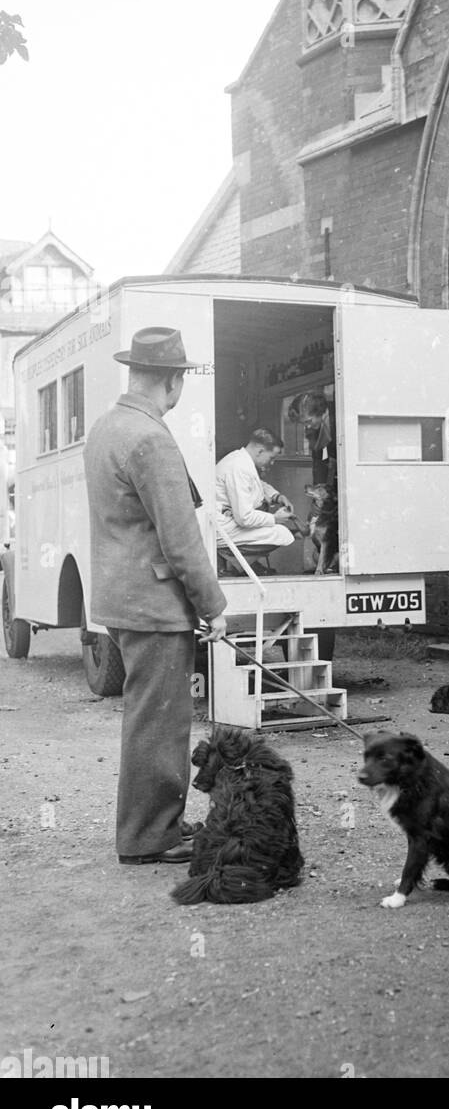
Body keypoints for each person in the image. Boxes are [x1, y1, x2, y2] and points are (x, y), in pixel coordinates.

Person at [83, 327, 227, 866]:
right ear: (173, 379)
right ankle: (149, 836)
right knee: (161, 723)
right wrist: (212, 605)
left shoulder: (106, 428)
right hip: (154, 604)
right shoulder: (150, 438)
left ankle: (157, 821)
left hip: (123, 600)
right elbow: (181, 540)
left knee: (149, 717)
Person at [215, 428, 297, 573]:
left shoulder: (241, 459)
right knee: (282, 534)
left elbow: (257, 484)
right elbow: (245, 518)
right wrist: (275, 518)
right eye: (271, 458)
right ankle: (232, 559)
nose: (272, 463)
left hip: (229, 522)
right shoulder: (238, 467)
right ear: (260, 451)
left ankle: (241, 565)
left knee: (279, 531)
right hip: (223, 528)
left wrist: (277, 496)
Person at [290, 390, 334, 485]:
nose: (307, 427)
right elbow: (321, 457)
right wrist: (319, 486)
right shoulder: (314, 430)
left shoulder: (338, 416)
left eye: (308, 421)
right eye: (304, 423)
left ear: (321, 412)